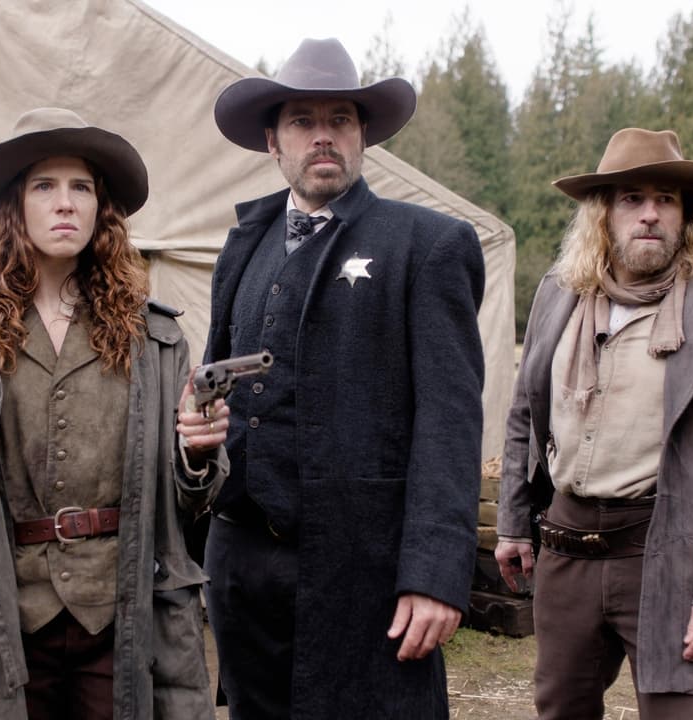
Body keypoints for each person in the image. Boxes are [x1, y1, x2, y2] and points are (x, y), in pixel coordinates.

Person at [0, 107, 226, 720]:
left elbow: (188, 498)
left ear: (100, 209)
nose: (65, 203)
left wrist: (196, 452)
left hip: (122, 613)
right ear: (15, 207)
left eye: (81, 188)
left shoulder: (156, 339)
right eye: (44, 186)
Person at [205, 38, 485, 719]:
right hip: (245, 572)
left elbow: (450, 422)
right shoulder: (243, 246)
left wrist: (435, 573)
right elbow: (215, 395)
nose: (322, 136)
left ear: (363, 137)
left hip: (368, 572)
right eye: (302, 121)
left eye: (340, 120)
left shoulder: (428, 245)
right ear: (273, 142)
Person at [495, 128, 693, 719]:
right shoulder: (559, 296)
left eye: (666, 199)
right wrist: (512, 523)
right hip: (565, 550)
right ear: (603, 214)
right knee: (560, 710)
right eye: (632, 198)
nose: (650, 214)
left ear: (688, 218)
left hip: (670, 558)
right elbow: (524, 414)